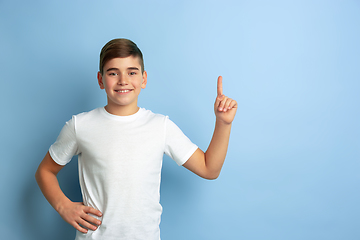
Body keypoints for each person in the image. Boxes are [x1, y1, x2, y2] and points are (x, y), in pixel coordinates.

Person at [35, 38, 237, 240]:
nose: (123, 80)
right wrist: (63, 206)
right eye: (113, 73)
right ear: (100, 80)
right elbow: (45, 171)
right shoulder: (80, 126)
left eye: (132, 72)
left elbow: (209, 169)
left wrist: (223, 123)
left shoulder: (160, 126)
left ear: (143, 79)